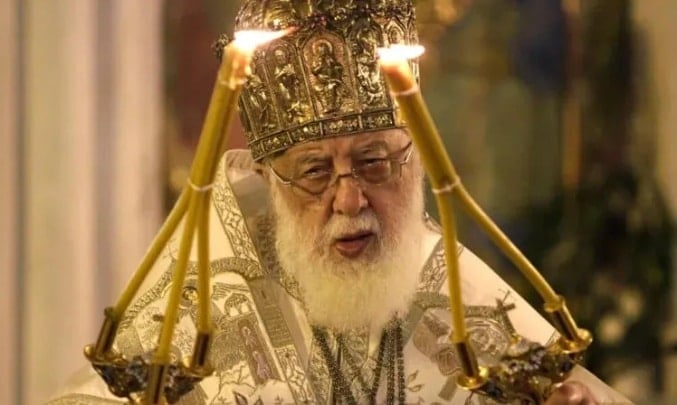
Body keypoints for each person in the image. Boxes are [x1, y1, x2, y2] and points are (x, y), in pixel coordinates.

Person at [49, 1, 632, 404]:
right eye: (314, 172)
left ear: (416, 161)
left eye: (374, 162)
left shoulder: (459, 297)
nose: (350, 199)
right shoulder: (207, 296)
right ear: (270, 180)